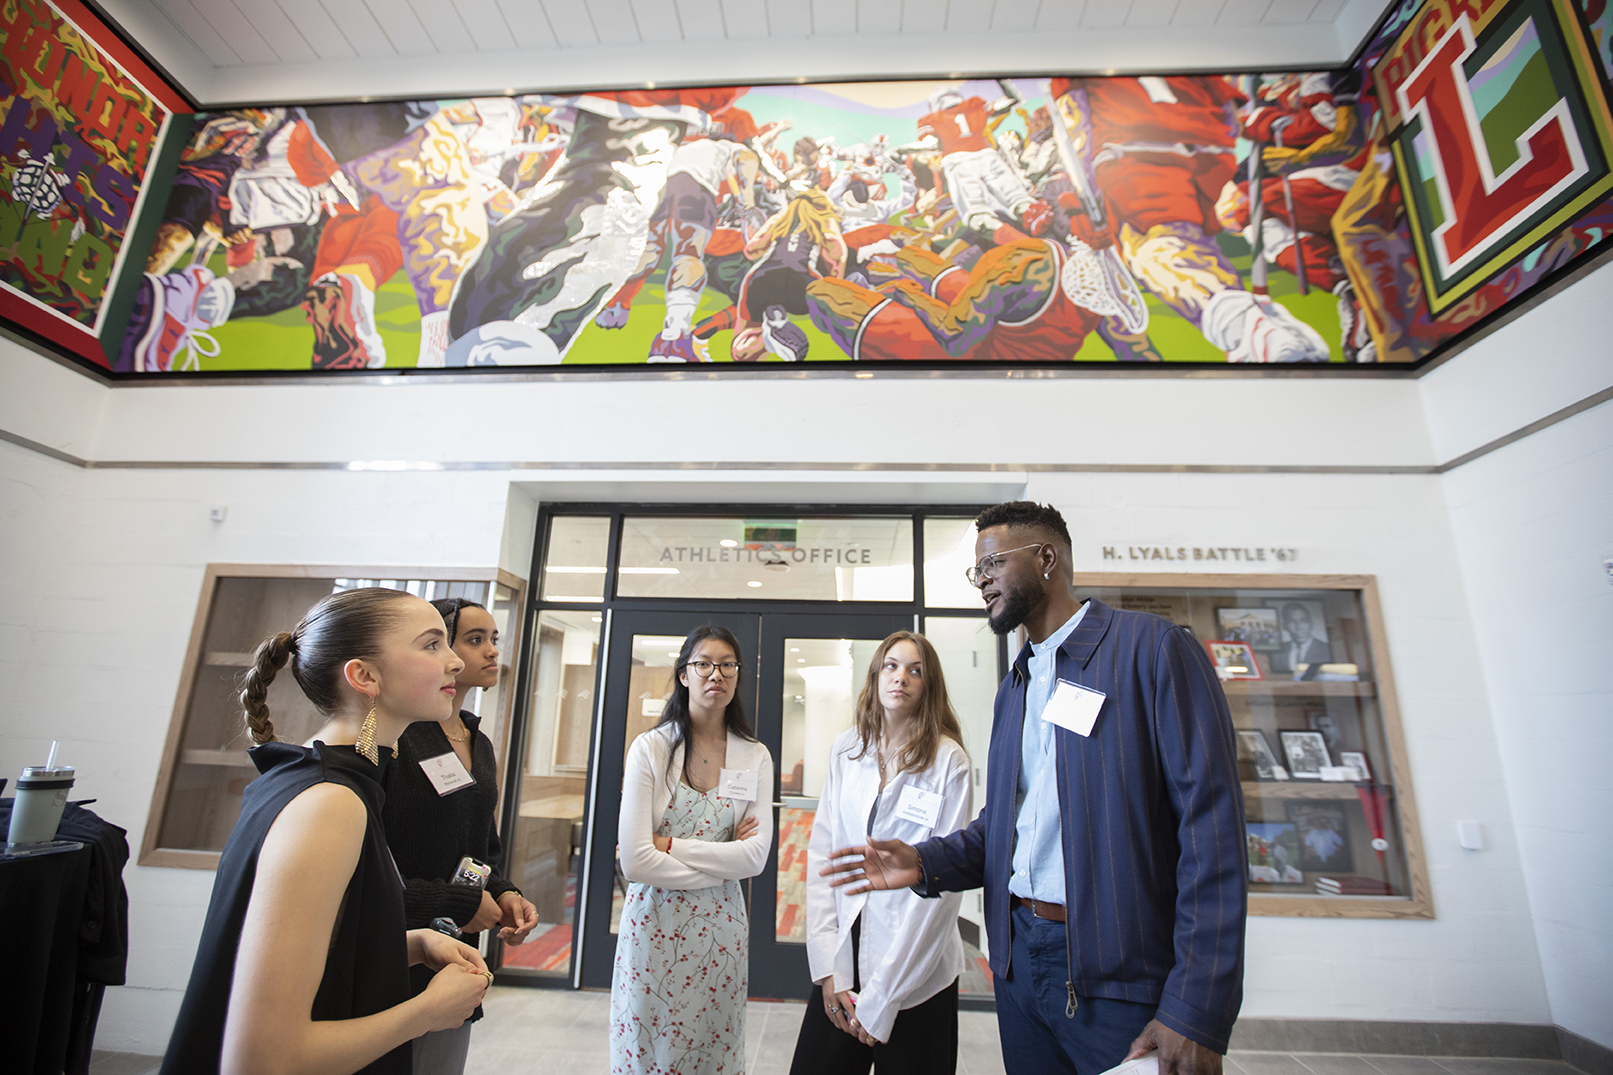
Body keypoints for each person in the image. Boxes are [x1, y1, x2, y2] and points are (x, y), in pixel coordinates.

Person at [823, 501, 1247, 1075]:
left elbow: (1212, 833)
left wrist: (1197, 1007)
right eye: (977, 572)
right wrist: (922, 862)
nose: (982, 582)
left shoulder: (1151, 651)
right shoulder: (1015, 686)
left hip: (1116, 974)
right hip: (1021, 967)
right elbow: (1004, 827)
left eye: (993, 563)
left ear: (1047, 558)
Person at [161, 587, 491, 1075]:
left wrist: (411, 942)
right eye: (431, 645)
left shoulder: (327, 780)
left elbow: (312, 958)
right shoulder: (329, 803)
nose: (455, 663)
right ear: (364, 675)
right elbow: (260, 1062)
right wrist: (425, 1012)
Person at [787, 632, 972, 1075]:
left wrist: (885, 996)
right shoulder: (847, 749)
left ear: (929, 685)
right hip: (846, 955)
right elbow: (823, 860)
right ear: (874, 676)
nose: (901, 678)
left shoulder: (949, 763)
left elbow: (942, 893)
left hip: (917, 967)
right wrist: (827, 967)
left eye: (915, 670)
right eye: (891, 666)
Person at [610, 625, 776, 1074]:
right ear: (684, 674)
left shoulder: (754, 756)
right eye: (703, 664)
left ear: (737, 676)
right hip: (653, 927)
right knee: (648, 1051)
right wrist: (723, 863)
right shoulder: (650, 749)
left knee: (712, 1050)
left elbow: (755, 858)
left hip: (721, 932)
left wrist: (669, 845)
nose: (715, 674)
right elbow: (636, 860)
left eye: (727, 665)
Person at [383, 596, 539, 1074]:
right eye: (475, 640)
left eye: (494, 639)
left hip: (455, 948)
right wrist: (456, 902)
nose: (492, 651)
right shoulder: (391, 735)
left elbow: (479, 843)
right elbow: (368, 868)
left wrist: (503, 890)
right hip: (394, 944)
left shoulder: (478, 740)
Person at [1271, 602, 1330, 676]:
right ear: (1285, 626)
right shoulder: (1276, 651)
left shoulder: (1326, 649)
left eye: (1303, 621)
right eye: (1292, 622)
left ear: (1311, 624)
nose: (1299, 627)